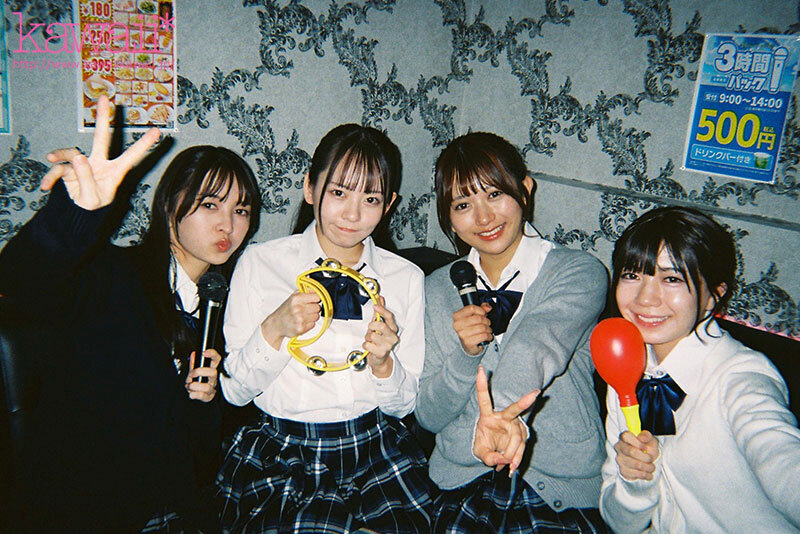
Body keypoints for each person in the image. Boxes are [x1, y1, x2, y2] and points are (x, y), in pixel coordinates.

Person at [0, 95, 261, 532]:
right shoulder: (113, 275)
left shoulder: (228, 306)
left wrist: (206, 403)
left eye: (241, 210)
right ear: (170, 204)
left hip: (173, 511)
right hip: (82, 509)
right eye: (210, 205)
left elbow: (201, 456)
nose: (228, 225)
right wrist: (73, 217)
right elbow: (17, 284)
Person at [216, 123, 433, 532]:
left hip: (374, 450)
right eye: (338, 193)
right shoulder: (261, 263)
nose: (353, 214)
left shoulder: (405, 277)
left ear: (389, 204)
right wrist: (275, 328)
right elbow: (235, 391)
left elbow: (404, 405)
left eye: (371, 199)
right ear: (310, 189)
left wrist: (383, 364)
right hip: (284, 453)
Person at [415, 131, 608, 533]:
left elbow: (536, 344)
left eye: (495, 194)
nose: (484, 218)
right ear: (448, 217)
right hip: (464, 479)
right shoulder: (434, 288)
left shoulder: (579, 272)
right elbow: (429, 415)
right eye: (463, 204)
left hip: (558, 485)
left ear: (525, 189)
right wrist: (465, 356)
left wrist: (501, 420)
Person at [599, 206, 800, 533]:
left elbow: (778, 454)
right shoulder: (623, 369)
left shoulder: (741, 375)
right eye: (632, 275)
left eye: (672, 279)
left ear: (713, 297)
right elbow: (619, 523)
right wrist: (636, 481)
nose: (645, 298)